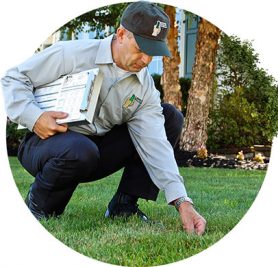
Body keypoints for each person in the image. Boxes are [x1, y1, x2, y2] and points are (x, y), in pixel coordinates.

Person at [1, 1, 206, 235]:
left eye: (154, 52)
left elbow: (155, 142)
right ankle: (38, 207)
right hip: (46, 144)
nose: (147, 60)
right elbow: (13, 79)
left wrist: (182, 201)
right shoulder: (72, 54)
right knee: (79, 149)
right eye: (141, 49)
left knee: (170, 117)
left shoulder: (144, 86)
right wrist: (34, 117)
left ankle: (123, 206)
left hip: (95, 151)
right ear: (121, 34)